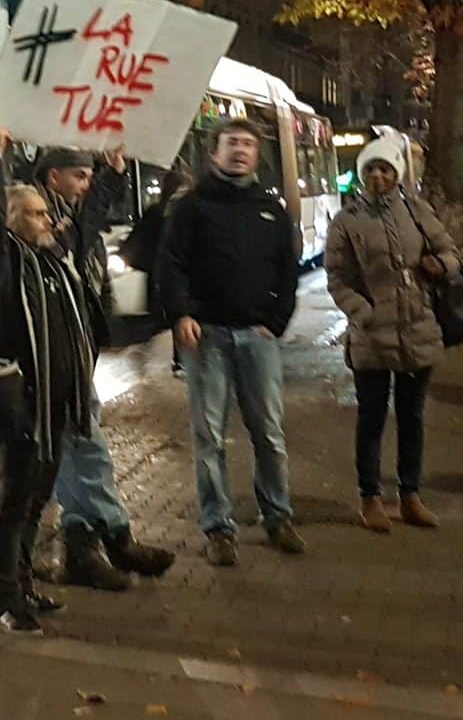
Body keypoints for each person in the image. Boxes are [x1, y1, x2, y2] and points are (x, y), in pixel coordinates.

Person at [0, 129, 100, 632]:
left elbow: (83, 223)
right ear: (14, 220)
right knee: (15, 504)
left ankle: (22, 584)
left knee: (37, 500)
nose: (50, 220)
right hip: (22, 404)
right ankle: (3, 597)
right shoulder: (1, 261)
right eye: (38, 214)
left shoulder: (49, 261)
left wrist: (108, 174)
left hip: (54, 405)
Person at [160, 118, 304, 567]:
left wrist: (276, 322)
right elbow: (172, 264)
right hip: (208, 338)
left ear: (257, 155)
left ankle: (277, 516)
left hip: (257, 338)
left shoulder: (271, 209)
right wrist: (182, 313)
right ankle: (218, 527)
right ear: (214, 152)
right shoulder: (192, 206)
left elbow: (287, 268)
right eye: (231, 144)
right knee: (209, 438)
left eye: (247, 144)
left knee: (269, 433)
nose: (239, 151)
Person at [33, 147, 177, 590]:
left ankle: (87, 544)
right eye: (79, 176)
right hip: (50, 356)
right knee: (83, 448)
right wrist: (111, 180)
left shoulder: (67, 212)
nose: (85, 184)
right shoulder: (36, 216)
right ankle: (111, 537)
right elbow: (73, 240)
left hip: (75, 348)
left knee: (79, 450)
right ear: (52, 176)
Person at [324, 133, 463, 533]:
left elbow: (451, 253)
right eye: (371, 170)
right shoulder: (347, 221)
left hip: (417, 328)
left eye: (386, 169)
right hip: (371, 336)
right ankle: (369, 497)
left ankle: (410, 496)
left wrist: (442, 266)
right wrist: (362, 312)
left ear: (397, 174)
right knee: (371, 419)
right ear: (361, 175)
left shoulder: (417, 212)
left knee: (412, 417)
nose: (379, 177)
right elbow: (337, 277)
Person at [122, 165, 194, 377]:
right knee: (179, 316)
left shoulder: (157, 212)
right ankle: (181, 360)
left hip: (160, 277)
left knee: (171, 318)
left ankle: (177, 359)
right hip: (178, 275)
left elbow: (135, 245)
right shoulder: (188, 212)